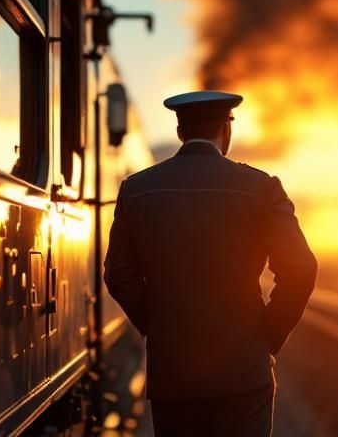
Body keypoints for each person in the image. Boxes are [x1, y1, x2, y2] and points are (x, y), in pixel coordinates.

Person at [104, 90, 318, 437]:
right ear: (226, 129)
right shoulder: (263, 188)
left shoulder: (136, 189)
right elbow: (301, 268)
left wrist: (158, 328)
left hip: (174, 375)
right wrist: (268, 337)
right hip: (243, 372)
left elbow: (118, 275)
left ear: (179, 132)